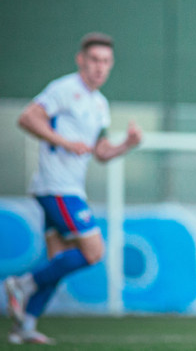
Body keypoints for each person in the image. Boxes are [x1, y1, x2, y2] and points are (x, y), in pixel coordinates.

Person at [3, 32, 143, 345]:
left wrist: (127, 145)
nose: (99, 67)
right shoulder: (65, 89)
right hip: (57, 186)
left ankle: (24, 325)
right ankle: (23, 285)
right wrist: (64, 142)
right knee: (94, 252)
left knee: (60, 261)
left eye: (106, 61)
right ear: (81, 60)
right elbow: (28, 118)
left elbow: (101, 153)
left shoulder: (100, 104)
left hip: (68, 187)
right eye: (94, 59)